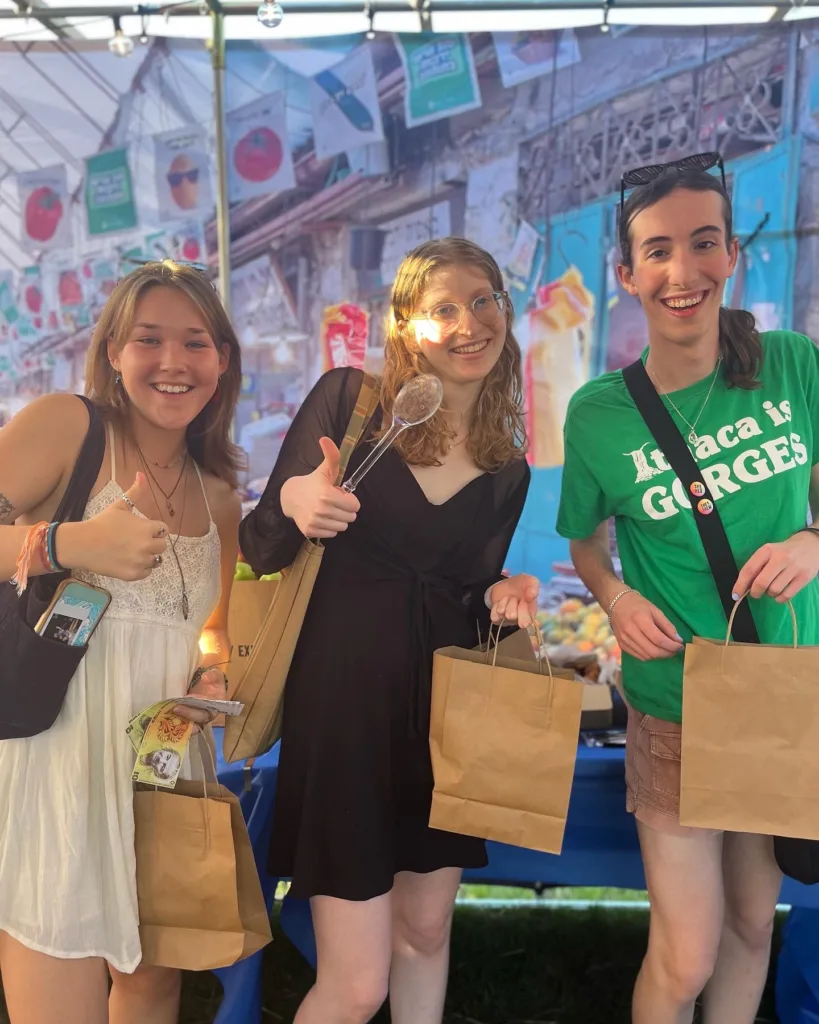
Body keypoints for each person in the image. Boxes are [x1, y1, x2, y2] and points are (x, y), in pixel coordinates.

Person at [240, 237, 539, 1024]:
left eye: (482, 302)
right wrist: (298, 502)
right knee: (356, 983)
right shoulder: (351, 403)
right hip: (344, 719)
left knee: (426, 931)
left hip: (442, 727)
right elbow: (260, 545)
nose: (467, 324)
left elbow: (467, 597)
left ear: (505, 311)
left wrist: (505, 591)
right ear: (406, 327)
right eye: (442, 308)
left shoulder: (509, 466)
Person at [557, 158, 819, 1024]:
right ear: (626, 274)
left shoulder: (789, 365)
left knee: (752, 924)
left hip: (783, 692)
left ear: (732, 254)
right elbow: (584, 542)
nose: (683, 271)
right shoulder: (599, 412)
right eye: (657, 251)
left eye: (703, 243)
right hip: (675, 707)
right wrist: (615, 597)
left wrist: (812, 540)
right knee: (685, 952)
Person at [0, 261, 244, 1024]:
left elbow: (208, 627)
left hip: (162, 768)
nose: (173, 362)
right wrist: (68, 543)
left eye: (195, 342)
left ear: (221, 361)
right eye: (148, 339)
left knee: (152, 987)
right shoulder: (68, 427)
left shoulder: (221, 495)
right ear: (112, 351)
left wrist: (210, 676)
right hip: (57, 764)